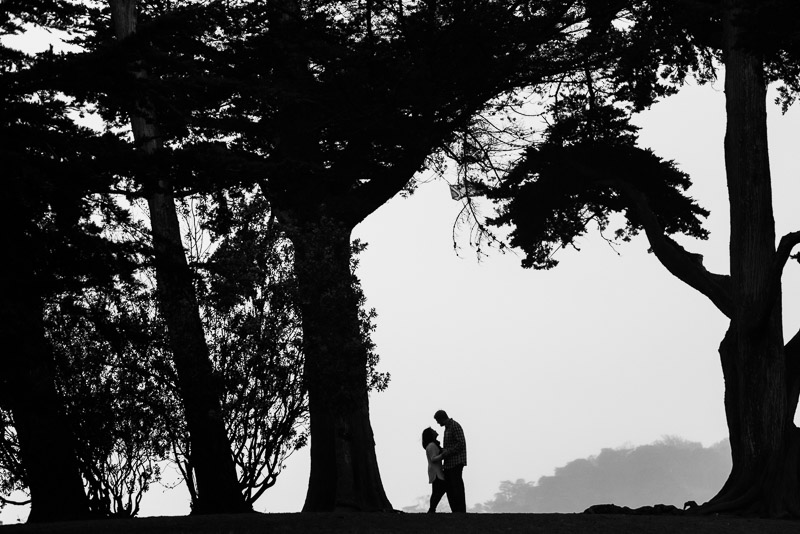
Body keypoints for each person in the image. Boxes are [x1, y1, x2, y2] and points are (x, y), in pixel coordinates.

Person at [434, 409, 467, 513]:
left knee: (457, 487)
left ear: (441, 418)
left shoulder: (454, 426)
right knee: (450, 488)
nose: (437, 423)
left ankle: (460, 510)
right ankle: (456, 511)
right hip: (449, 464)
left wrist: (446, 452)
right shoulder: (448, 428)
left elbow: (461, 444)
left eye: (438, 421)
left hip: (456, 462)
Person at [421, 427, 446, 513]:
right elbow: (433, 458)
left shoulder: (432, 445)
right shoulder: (432, 445)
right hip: (436, 472)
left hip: (435, 471)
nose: (435, 430)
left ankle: (432, 509)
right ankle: (432, 508)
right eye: (432, 430)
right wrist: (443, 455)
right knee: (439, 489)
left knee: (436, 491)